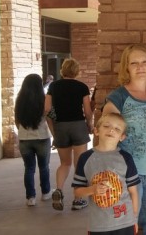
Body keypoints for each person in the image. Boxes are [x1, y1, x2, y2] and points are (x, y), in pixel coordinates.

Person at [102, 44, 146, 235]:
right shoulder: (118, 98)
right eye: (134, 63)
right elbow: (105, 137)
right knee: (125, 228)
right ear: (127, 67)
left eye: (144, 62)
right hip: (126, 176)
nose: (140, 67)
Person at [73, 113, 140, 235]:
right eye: (106, 126)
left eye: (117, 129)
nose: (111, 130)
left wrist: (134, 218)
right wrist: (92, 189)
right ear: (96, 131)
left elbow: (133, 192)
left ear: (122, 137)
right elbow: (77, 191)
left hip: (125, 222)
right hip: (98, 225)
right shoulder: (85, 158)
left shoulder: (126, 158)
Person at [45, 58, 93, 211]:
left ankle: (58, 190)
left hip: (60, 127)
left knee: (65, 163)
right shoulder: (82, 87)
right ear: (76, 71)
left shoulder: (53, 86)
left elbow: (47, 110)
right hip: (78, 125)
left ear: (63, 70)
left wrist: (54, 132)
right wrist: (89, 124)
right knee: (79, 165)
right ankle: (78, 200)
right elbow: (87, 111)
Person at [15, 74, 53, 207]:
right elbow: (50, 117)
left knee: (29, 168)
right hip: (42, 137)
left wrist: (22, 132)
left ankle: (30, 197)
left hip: (25, 139)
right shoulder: (44, 99)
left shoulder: (19, 101)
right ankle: (46, 193)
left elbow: (17, 120)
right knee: (44, 167)